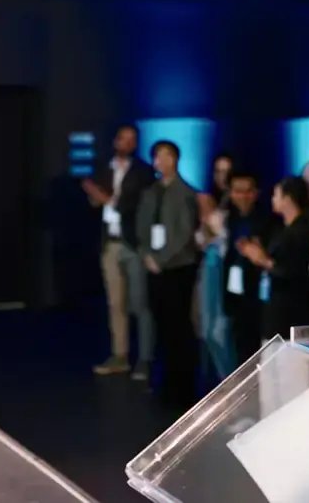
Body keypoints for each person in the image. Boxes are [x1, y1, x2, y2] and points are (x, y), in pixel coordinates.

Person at [83, 124, 156, 380]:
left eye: (132, 139)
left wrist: (105, 198)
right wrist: (96, 197)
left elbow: (133, 205)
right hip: (110, 243)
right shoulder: (105, 167)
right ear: (115, 141)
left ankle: (145, 359)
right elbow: (94, 200)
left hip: (133, 243)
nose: (128, 143)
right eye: (123, 138)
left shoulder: (143, 171)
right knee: (116, 303)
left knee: (140, 303)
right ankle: (120, 355)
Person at [137, 141, 201, 410]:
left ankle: (182, 385)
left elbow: (184, 233)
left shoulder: (185, 192)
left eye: (165, 156)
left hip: (178, 267)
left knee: (179, 326)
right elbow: (141, 227)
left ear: (175, 159)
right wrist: (146, 254)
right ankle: (164, 382)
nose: (160, 162)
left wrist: (162, 259)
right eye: (157, 157)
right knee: (160, 323)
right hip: (153, 266)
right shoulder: (150, 192)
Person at [237, 177, 309, 341]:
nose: (272, 199)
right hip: (277, 312)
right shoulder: (281, 229)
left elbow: (296, 272)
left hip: (294, 316)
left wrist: (264, 261)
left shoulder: (303, 232)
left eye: (276, 195)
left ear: (288, 198)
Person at [221, 171, 268, 363]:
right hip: (234, 291)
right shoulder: (229, 219)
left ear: (256, 193)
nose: (243, 196)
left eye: (247, 191)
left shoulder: (266, 220)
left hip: (258, 294)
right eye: (237, 191)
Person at [195, 191, 234, 383]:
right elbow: (199, 242)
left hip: (220, 275)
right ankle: (223, 376)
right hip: (208, 274)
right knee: (207, 330)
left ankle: (231, 375)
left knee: (219, 330)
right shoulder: (203, 223)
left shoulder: (222, 219)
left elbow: (226, 244)